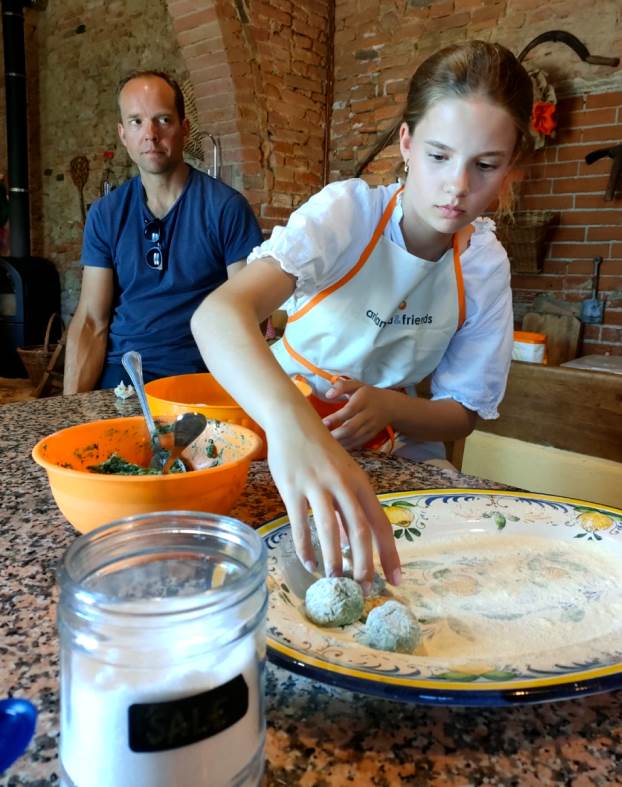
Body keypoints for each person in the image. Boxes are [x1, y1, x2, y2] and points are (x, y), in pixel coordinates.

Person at [191, 41, 534, 591]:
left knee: (427, 577)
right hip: (274, 419)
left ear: (510, 166)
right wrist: (294, 429)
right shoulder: (349, 212)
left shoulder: (485, 265)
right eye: (439, 156)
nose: (458, 186)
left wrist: (390, 408)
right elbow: (217, 315)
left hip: (389, 443)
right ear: (405, 143)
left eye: (485, 165)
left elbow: (464, 411)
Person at [63, 70, 263, 392]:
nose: (150, 134)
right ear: (122, 134)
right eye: (136, 122)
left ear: (184, 129)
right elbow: (91, 322)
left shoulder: (226, 208)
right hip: (122, 378)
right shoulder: (106, 214)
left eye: (163, 120)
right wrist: (70, 410)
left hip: (201, 376)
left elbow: (250, 313)